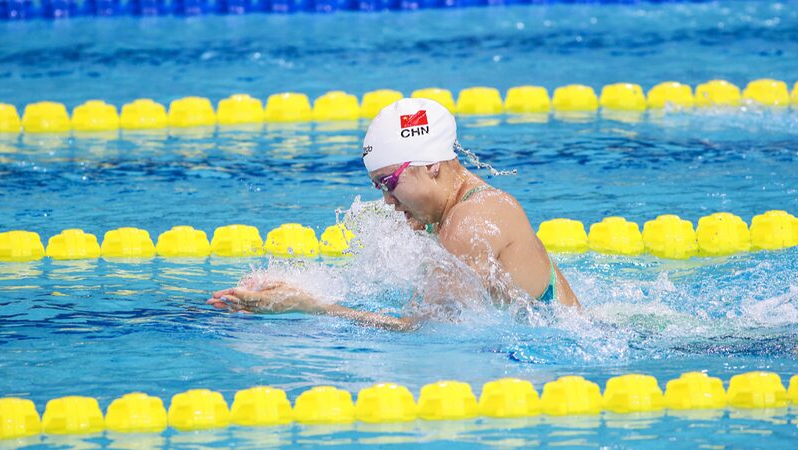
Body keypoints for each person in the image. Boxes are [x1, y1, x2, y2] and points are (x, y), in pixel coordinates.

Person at [208, 98, 580, 330]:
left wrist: (309, 306)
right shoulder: (450, 211)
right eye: (379, 186)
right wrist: (289, 284)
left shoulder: (468, 224)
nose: (387, 201)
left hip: (553, 356)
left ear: (431, 165)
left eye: (389, 182)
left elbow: (420, 331)